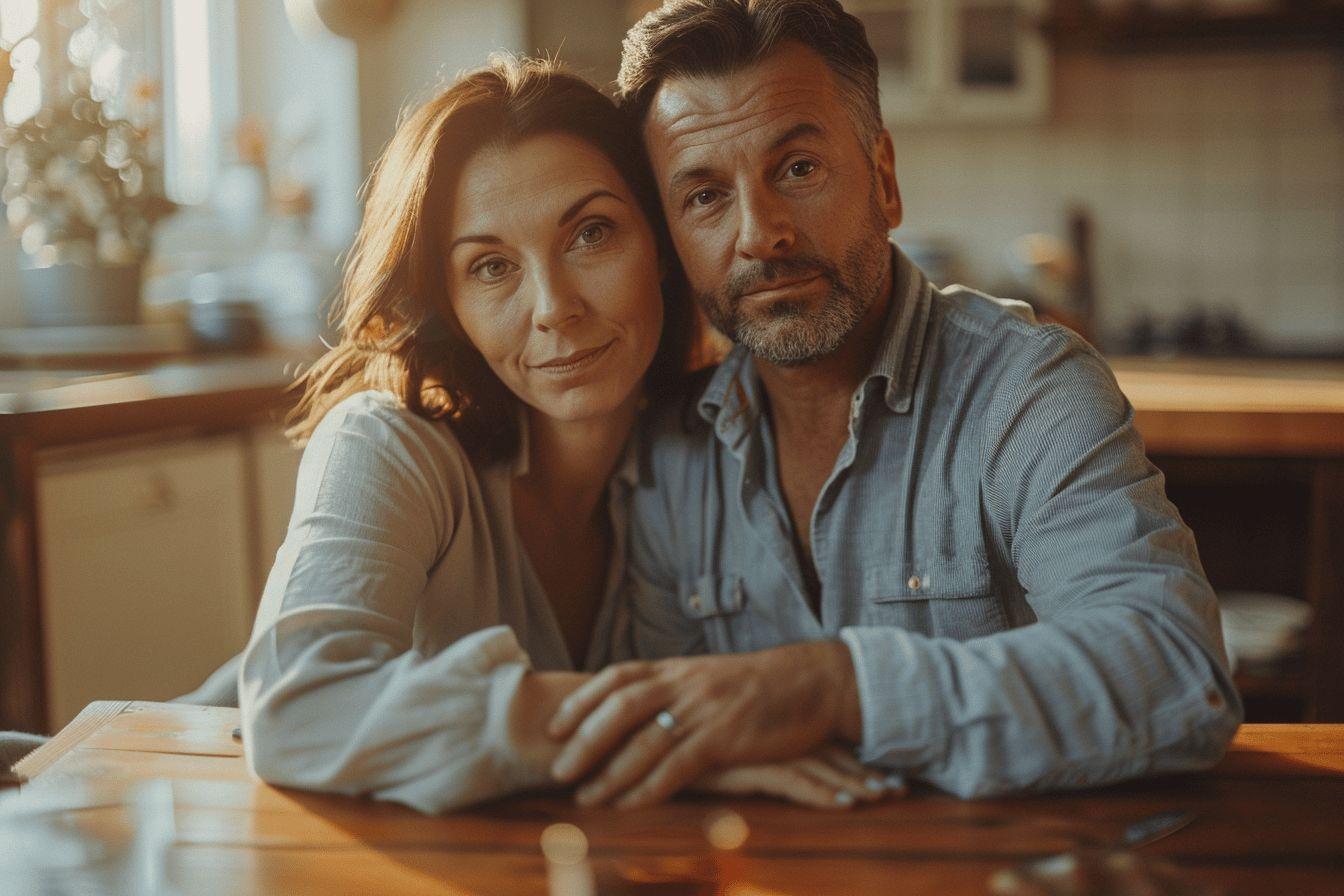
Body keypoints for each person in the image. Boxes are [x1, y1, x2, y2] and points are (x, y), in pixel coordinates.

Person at [547, 0, 1242, 808]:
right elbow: (651, 725)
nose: (759, 234)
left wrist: (834, 687)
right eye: (704, 196)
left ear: (883, 178)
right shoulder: (668, 446)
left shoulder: (1027, 390)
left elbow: (1177, 673)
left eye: (798, 169)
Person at [236, 55, 890, 814]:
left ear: (666, 247)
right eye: (490, 267)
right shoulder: (387, 446)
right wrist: (654, 730)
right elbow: (293, 710)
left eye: (591, 234)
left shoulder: (714, 454)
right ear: (445, 301)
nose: (553, 308)